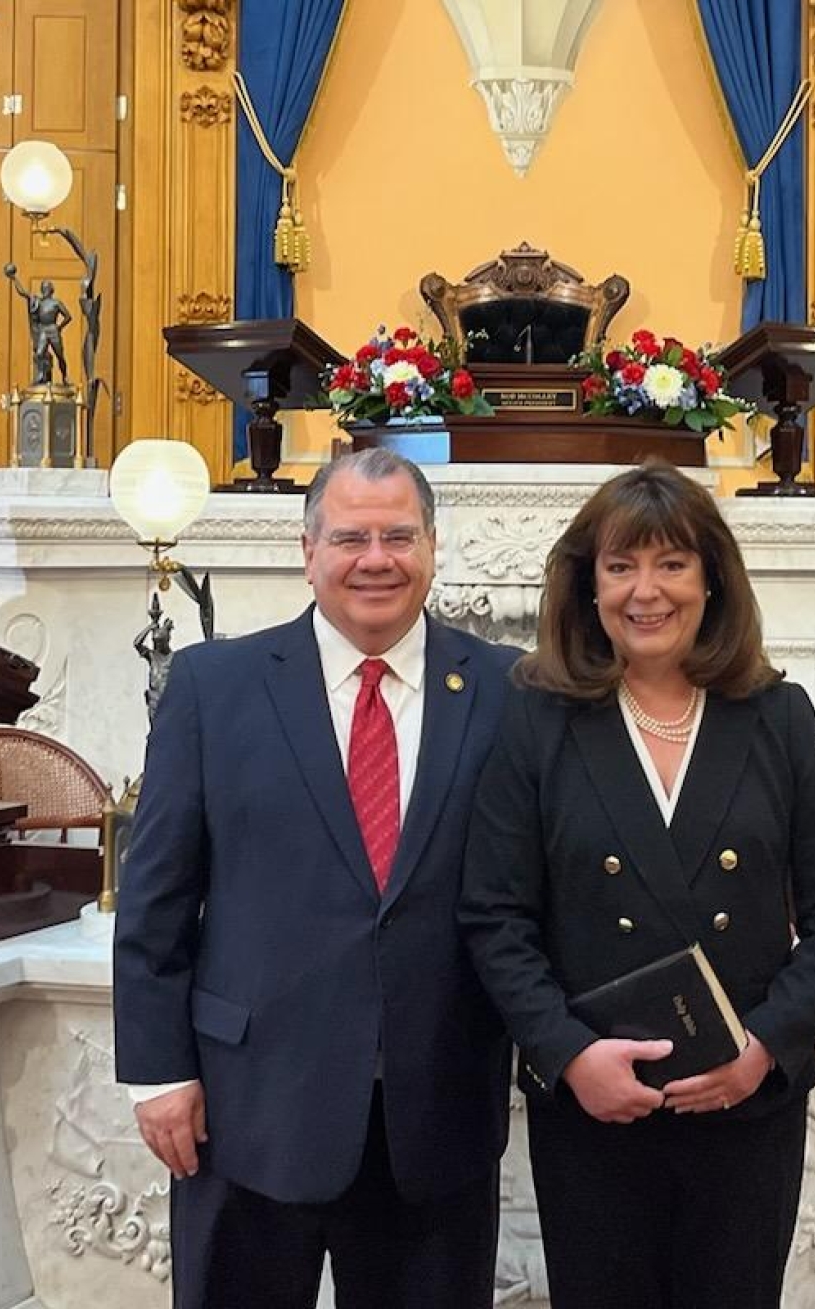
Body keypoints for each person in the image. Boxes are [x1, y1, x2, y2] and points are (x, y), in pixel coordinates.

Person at [459, 461, 815, 1309]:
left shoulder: (777, 715)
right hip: (594, 1110)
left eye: (671, 564)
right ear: (589, 585)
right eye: (620, 566)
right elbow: (495, 916)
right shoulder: (537, 717)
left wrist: (762, 1046)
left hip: (746, 1107)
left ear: (712, 577)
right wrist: (569, 1055)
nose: (645, 591)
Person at [113, 449, 519, 1309]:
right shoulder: (212, 686)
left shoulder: (505, 688)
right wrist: (158, 1073)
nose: (376, 557)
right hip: (246, 1108)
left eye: (399, 535)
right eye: (350, 537)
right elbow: (155, 900)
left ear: (434, 548)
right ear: (308, 552)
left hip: (435, 1109)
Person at [4, 264, 72, 386]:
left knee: (60, 355)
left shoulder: (56, 303)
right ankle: (41, 374)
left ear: (51, 290)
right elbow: (23, 292)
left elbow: (68, 316)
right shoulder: (38, 302)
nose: (45, 290)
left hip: (53, 329)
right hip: (43, 330)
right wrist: (14, 278)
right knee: (39, 354)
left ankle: (65, 376)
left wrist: (59, 327)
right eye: (43, 288)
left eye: (47, 288)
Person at [133, 593, 175, 725]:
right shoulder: (152, 656)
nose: (157, 645)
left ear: (166, 641)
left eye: (160, 643)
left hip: (168, 699)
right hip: (154, 699)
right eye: (155, 643)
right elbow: (137, 643)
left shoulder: (174, 658)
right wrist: (150, 626)